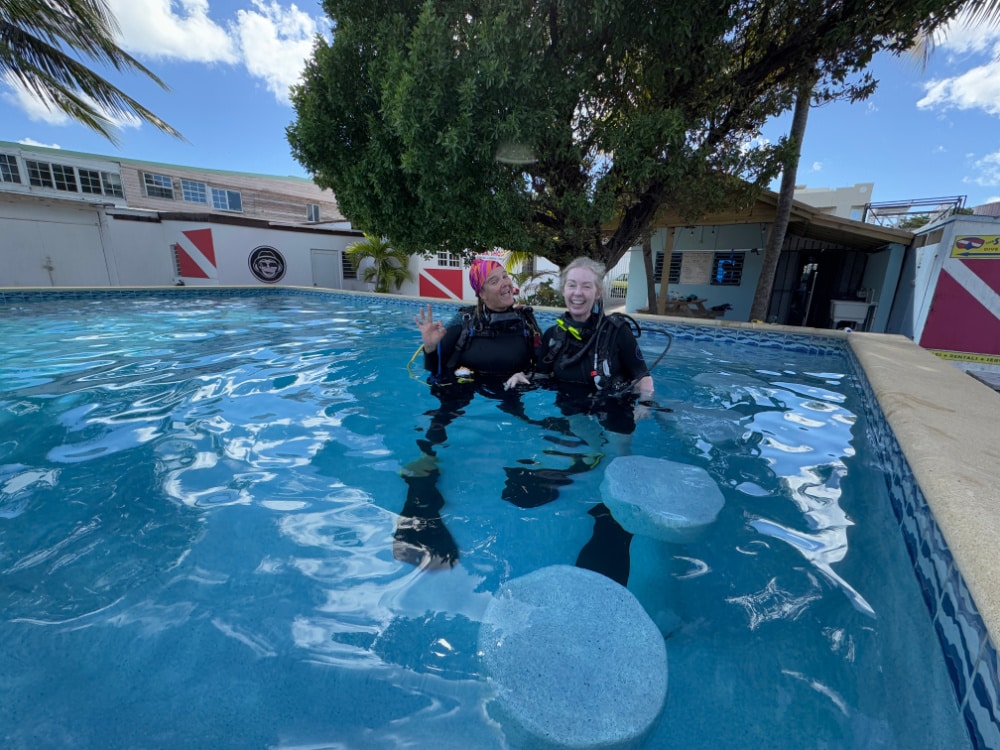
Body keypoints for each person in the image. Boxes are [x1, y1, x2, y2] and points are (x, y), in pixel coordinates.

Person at [395, 257, 546, 570]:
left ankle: (522, 472)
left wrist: (529, 379)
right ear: (481, 293)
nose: (504, 283)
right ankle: (422, 481)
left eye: (505, 276)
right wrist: (430, 348)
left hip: (509, 387)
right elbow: (436, 374)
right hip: (467, 386)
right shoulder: (464, 324)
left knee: (524, 426)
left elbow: (545, 367)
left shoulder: (526, 323)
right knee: (438, 425)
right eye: (494, 280)